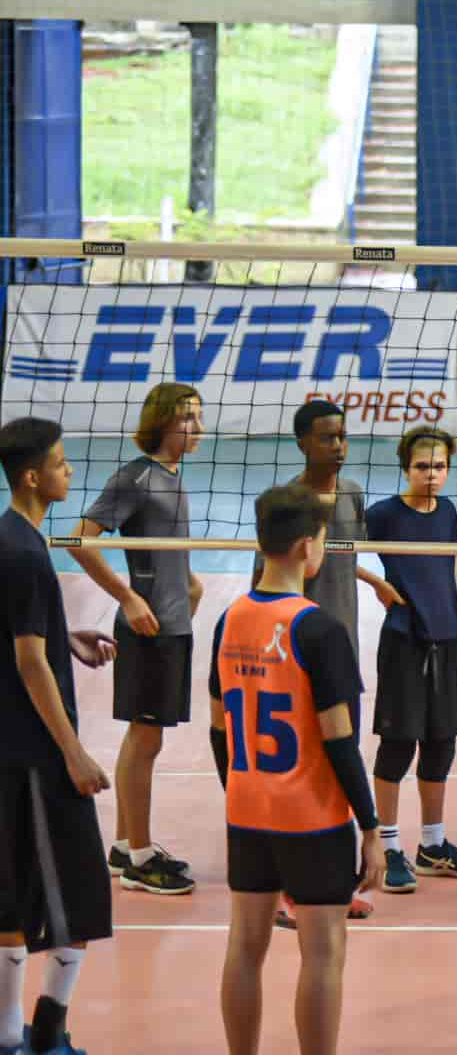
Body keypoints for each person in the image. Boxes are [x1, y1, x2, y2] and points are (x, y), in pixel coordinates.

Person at [210, 484, 384, 1055]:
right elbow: (341, 743)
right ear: (309, 547)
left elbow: (219, 731)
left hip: (248, 809)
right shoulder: (320, 631)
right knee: (324, 950)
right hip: (311, 817)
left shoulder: (227, 621)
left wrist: (241, 791)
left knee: (246, 945)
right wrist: (371, 827)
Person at [0, 417, 117, 1055]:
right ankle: (41, 1036)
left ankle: (22, 1033)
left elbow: (23, 636)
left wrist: (64, 637)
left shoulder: (14, 540)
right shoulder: (21, 551)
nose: (69, 471)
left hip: (15, 750)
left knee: (18, 896)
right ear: (32, 477)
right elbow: (25, 659)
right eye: (63, 463)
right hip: (36, 756)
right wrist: (73, 750)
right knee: (74, 897)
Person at [260, 400, 399, 928]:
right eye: (325, 438)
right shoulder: (289, 505)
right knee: (305, 771)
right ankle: (292, 888)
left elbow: (345, 554)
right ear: (302, 443)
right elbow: (282, 575)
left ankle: (331, 883)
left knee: (340, 767)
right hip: (299, 653)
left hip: (342, 651)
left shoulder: (355, 493)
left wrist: (375, 580)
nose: (337, 446)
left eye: (342, 437)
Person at [69, 382, 205, 895]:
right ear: (162, 421)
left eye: (199, 417)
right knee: (144, 738)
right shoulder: (136, 478)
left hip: (174, 625)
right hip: (149, 629)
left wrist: (189, 582)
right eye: (188, 418)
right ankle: (140, 859)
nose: (198, 428)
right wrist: (127, 597)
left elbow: (167, 548)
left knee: (149, 738)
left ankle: (127, 846)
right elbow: (81, 540)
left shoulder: (175, 478)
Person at [364, 426, 457, 892]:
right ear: (406, 468)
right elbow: (335, 547)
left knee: (441, 744)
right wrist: (376, 582)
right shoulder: (384, 515)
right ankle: (390, 847)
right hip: (404, 642)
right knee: (398, 746)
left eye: (438, 467)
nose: (431, 475)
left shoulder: (449, 511)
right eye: (422, 467)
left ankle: (432, 845)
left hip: (446, 641)